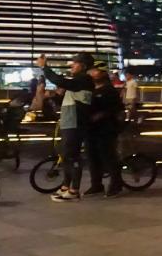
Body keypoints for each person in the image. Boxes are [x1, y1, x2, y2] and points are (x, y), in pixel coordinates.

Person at [36, 54, 94, 202]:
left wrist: (45, 67)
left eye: (75, 63)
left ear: (83, 66)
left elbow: (59, 80)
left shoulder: (84, 80)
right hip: (69, 122)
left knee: (72, 156)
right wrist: (56, 95)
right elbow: (66, 96)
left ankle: (74, 190)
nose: (71, 65)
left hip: (75, 123)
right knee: (66, 155)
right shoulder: (77, 82)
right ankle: (65, 186)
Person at [86, 61, 125, 198]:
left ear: (102, 73)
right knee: (92, 157)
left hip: (106, 129)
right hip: (91, 129)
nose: (92, 73)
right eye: (91, 71)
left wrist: (100, 115)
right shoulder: (92, 89)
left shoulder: (109, 90)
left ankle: (116, 184)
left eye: (95, 71)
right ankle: (96, 185)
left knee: (108, 157)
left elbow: (116, 109)